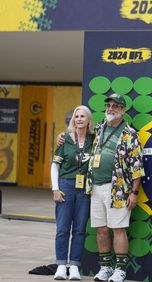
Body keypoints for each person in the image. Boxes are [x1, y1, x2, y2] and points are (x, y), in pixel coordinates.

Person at [59, 94, 144, 282]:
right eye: (108, 105)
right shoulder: (98, 128)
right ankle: (105, 268)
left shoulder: (129, 133)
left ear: (123, 110)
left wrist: (134, 192)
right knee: (101, 229)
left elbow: (137, 166)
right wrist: (62, 136)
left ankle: (120, 270)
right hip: (95, 187)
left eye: (115, 106)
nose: (110, 108)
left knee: (119, 229)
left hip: (118, 189)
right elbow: (78, 136)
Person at [51, 105, 94, 280]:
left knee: (79, 229)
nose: (79, 119)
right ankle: (61, 265)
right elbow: (55, 165)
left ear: (89, 120)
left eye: (82, 116)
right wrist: (55, 188)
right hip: (66, 185)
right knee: (62, 228)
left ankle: (74, 266)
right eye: (76, 116)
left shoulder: (95, 140)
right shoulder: (65, 139)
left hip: (84, 188)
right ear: (73, 120)